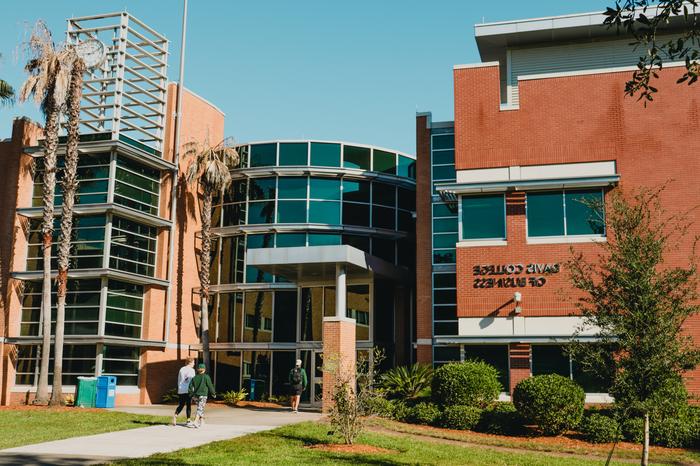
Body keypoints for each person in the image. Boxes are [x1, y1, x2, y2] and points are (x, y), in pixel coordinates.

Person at [188, 363, 216, 428]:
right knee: (200, 409)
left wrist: (191, 394)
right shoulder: (206, 377)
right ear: (204, 369)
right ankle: (195, 421)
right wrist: (213, 393)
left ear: (198, 369)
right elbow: (210, 386)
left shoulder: (194, 377)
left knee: (200, 408)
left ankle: (202, 421)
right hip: (203, 395)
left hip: (195, 396)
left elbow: (190, 387)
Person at [173, 357, 195, 426]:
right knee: (188, 405)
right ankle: (188, 420)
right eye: (193, 362)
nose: (194, 364)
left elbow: (179, 379)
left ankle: (175, 415)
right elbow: (192, 381)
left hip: (181, 389)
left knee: (181, 404)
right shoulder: (192, 370)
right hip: (188, 390)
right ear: (190, 362)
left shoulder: (181, 369)